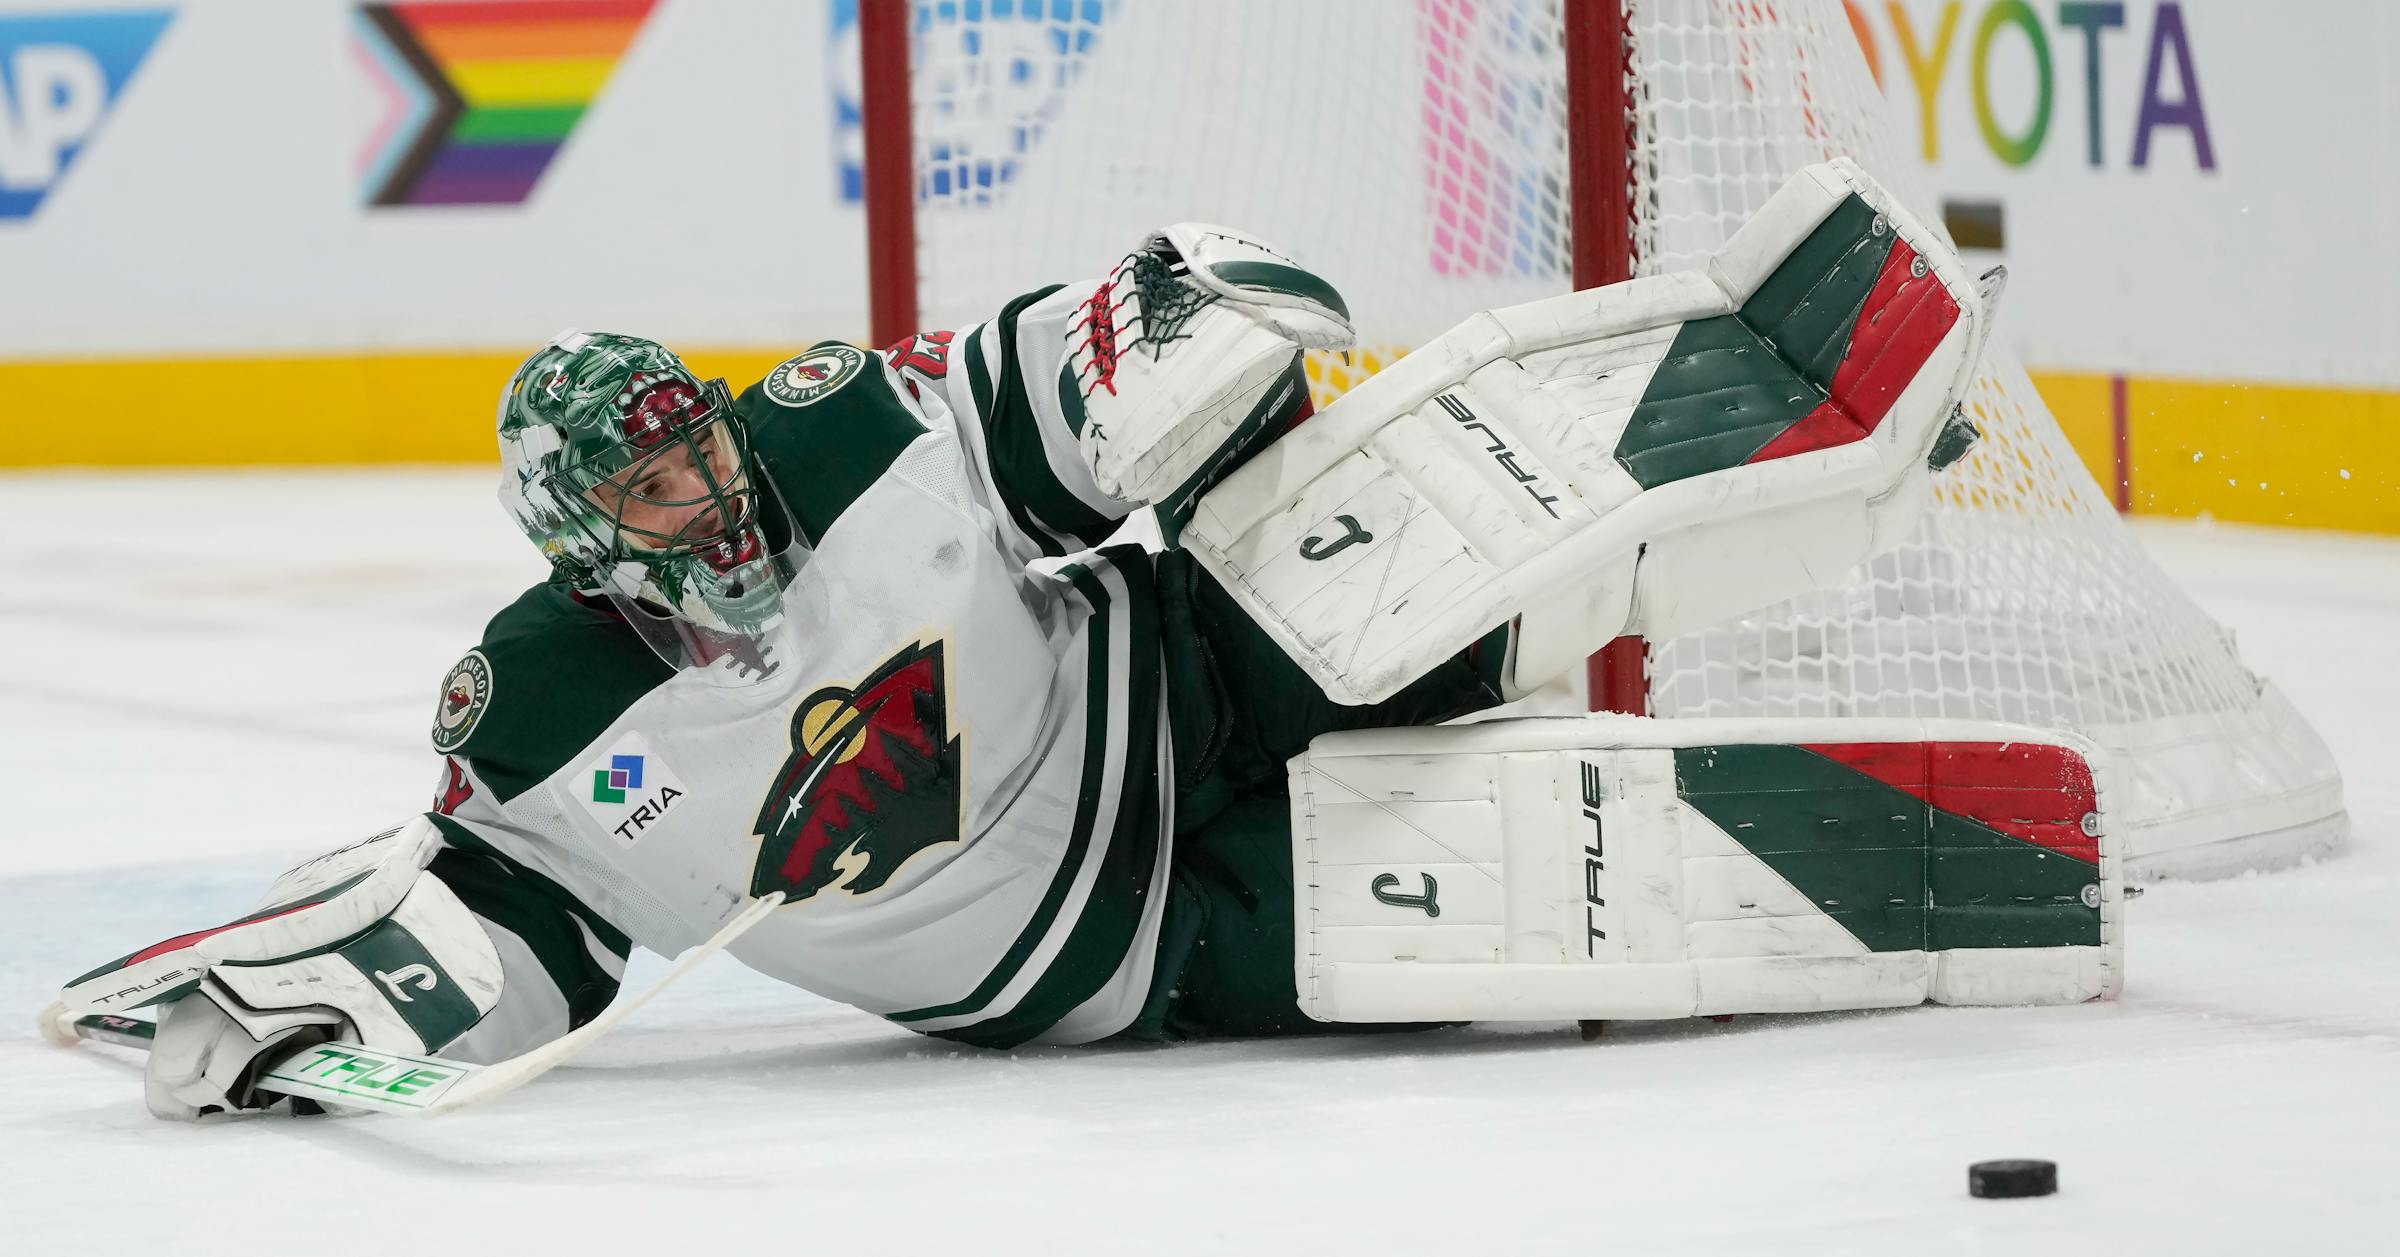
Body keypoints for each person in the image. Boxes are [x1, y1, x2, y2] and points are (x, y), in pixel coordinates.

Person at [63, 167, 2123, 1122]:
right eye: (663, 482)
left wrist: (1169, 324)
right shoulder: (539, 715)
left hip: (1187, 658)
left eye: (699, 438)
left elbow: (1023, 398)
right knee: (1557, 868)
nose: (713, 487)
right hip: (1126, 942)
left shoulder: (825, 428)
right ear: (584, 531)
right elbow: (498, 927)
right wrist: (339, 1012)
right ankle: (2000, 867)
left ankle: (1842, 383)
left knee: (1445, 532)